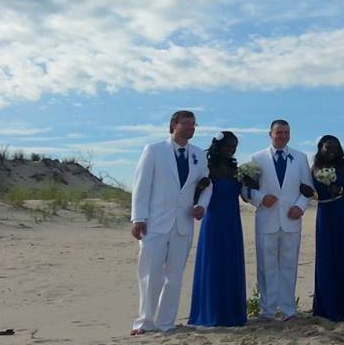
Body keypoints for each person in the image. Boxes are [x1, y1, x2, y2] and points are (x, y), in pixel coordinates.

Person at [130, 110, 211, 335]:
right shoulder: (154, 150)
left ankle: (167, 322)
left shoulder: (198, 155)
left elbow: (206, 184)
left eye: (194, 125)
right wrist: (138, 218)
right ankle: (144, 322)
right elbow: (141, 185)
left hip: (183, 222)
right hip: (155, 222)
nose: (191, 128)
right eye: (186, 124)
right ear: (174, 125)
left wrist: (202, 205)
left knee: (174, 276)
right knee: (149, 273)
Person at [244, 120, 314, 320]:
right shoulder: (256, 158)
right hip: (267, 218)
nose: (282, 136)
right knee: (266, 267)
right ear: (270, 134)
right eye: (279, 132)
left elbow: (307, 188)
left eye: (286, 132)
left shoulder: (300, 158)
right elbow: (247, 188)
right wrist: (259, 199)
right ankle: (267, 310)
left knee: (289, 265)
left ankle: (288, 309)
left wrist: (299, 207)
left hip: (291, 219)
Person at [188, 131, 247, 326]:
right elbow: (195, 196)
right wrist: (199, 187)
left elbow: (246, 195)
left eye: (233, 147)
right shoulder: (207, 167)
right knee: (213, 264)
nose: (230, 150)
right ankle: (210, 313)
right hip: (214, 222)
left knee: (231, 263)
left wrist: (251, 184)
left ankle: (232, 314)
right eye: (227, 146)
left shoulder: (236, 169)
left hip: (233, 222)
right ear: (218, 146)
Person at [310, 134, 344, 322]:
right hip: (324, 213)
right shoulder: (314, 167)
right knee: (326, 256)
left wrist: (340, 190)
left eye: (335, 148)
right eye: (328, 148)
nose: (332, 151)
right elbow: (309, 190)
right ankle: (327, 306)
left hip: (343, 213)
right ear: (320, 148)